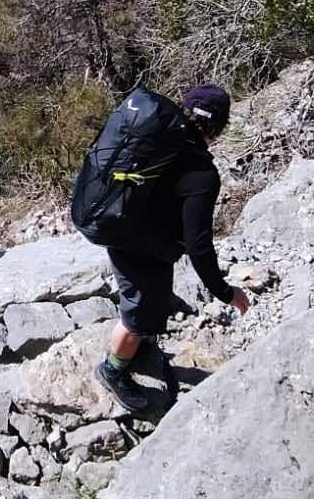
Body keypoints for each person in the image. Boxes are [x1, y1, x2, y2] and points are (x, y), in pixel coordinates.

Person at [95, 83, 250, 414]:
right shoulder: (201, 174)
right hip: (140, 248)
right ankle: (113, 369)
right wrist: (224, 292)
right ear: (218, 127)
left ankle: (141, 343)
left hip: (123, 231)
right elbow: (199, 246)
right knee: (136, 318)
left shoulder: (154, 141)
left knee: (151, 304)